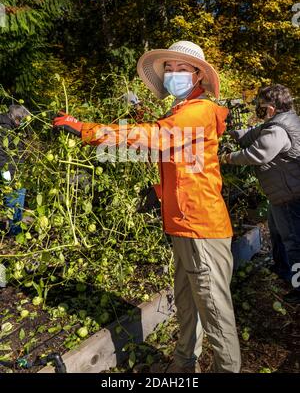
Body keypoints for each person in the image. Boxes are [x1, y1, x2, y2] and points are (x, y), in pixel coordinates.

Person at [53, 40, 241, 373]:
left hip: (201, 227)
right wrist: (159, 191)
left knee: (214, 311)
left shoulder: (198, 111)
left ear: (198, 75)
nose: (172, 74)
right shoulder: (182, 112)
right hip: (184, 222)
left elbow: (154, 138)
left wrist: (87, 130)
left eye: (180, 68)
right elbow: (180, 161)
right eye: (168, 68)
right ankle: (184, 365)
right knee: (188, 304)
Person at [221, 84, 300, 305]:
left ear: (272, 108)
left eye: (261, 106)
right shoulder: (281, 121)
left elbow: (258, 154)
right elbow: (253, 133)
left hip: (290, 197)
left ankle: (298, 287)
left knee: (293, 243)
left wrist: (228, 157)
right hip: (281, 195)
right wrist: (229, 134)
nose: (259, 110)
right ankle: (281, 268)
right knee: (277, 233)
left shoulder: (278, 130)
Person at [0, 104, 30, 235]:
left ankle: (16, 228)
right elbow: (0, 152)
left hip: (17, 168)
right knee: (13, 200)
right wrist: (4, 171)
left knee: (20, 198)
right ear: (15, 118)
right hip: (8, 169)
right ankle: (14, 232)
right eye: (21, 120)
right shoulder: (3, 128)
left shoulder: (14, 127)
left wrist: (24, 128)